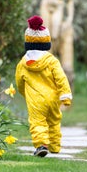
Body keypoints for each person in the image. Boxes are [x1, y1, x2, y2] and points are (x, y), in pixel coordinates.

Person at [15, 15, 73, 157]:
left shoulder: (23, 63)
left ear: (27, 43)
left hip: (35, 100)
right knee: (54, 121)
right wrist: (65, 96)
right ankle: (54, 146)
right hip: (52, 98)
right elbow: (61, 78)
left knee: (37, 122)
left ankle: (41, 145)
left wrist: (25, 93)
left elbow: (19, 82)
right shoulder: (52, 61)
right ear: (46, 43)